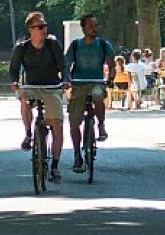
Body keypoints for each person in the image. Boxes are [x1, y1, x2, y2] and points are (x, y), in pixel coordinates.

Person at [10, 12, 67, 182]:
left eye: (45, 26)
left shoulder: (53, 44)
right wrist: (14, 82)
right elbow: (13, 70)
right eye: (40, 27)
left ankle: (55, 165)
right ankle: (28, 134)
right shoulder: (22, 48)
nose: (44, 29)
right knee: (25, 100)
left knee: (57, 123)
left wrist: (65, 81)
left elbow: (63, 66)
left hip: (51, 87)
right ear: (30, 30)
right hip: (31, 87)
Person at [64, 14, 115, 173]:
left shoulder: (104, 45)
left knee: (98, 95)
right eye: (91, 26)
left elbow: (111, 65)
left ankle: (100, 125)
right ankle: (77, 154)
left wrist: (110, 78)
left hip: (96, 81)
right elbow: (66, 65)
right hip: (79, 84)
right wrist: (67, 79)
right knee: (74, 121)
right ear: (84, 28)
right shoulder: (76, 45)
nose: (95, 29)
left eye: (96, 25)